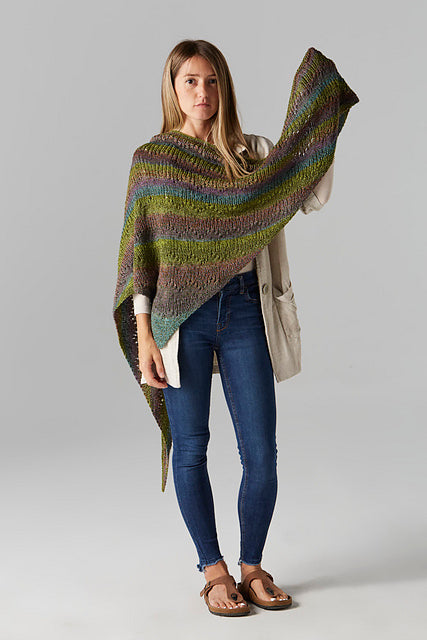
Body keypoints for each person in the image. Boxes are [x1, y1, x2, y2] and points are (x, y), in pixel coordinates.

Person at [132, 39, 334, 617]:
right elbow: (140, 256)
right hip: (181, 319)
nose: (203, 92)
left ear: (225, 86)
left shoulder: (254, 153)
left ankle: (252, 567)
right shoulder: (153, 161)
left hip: (246, 309)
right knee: (191, 448)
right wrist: (144, 334)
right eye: (191, 81)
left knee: (261, 453)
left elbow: (313, 195)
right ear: (173, 88)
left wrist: (319, 123)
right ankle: (213, 571)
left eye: (213, 80)